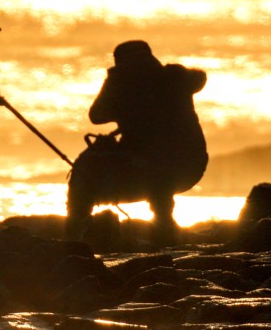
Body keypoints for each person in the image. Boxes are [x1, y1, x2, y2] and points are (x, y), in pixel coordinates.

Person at [66, 40, 207, 242]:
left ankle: (75, 234)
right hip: (189, 164)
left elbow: (97, 114)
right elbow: (200, 78)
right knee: (152, 163)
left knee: (88, 170)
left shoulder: (126, 84)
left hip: (164, 165)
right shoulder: (174, 78)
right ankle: (164, 224)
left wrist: (114, 81)